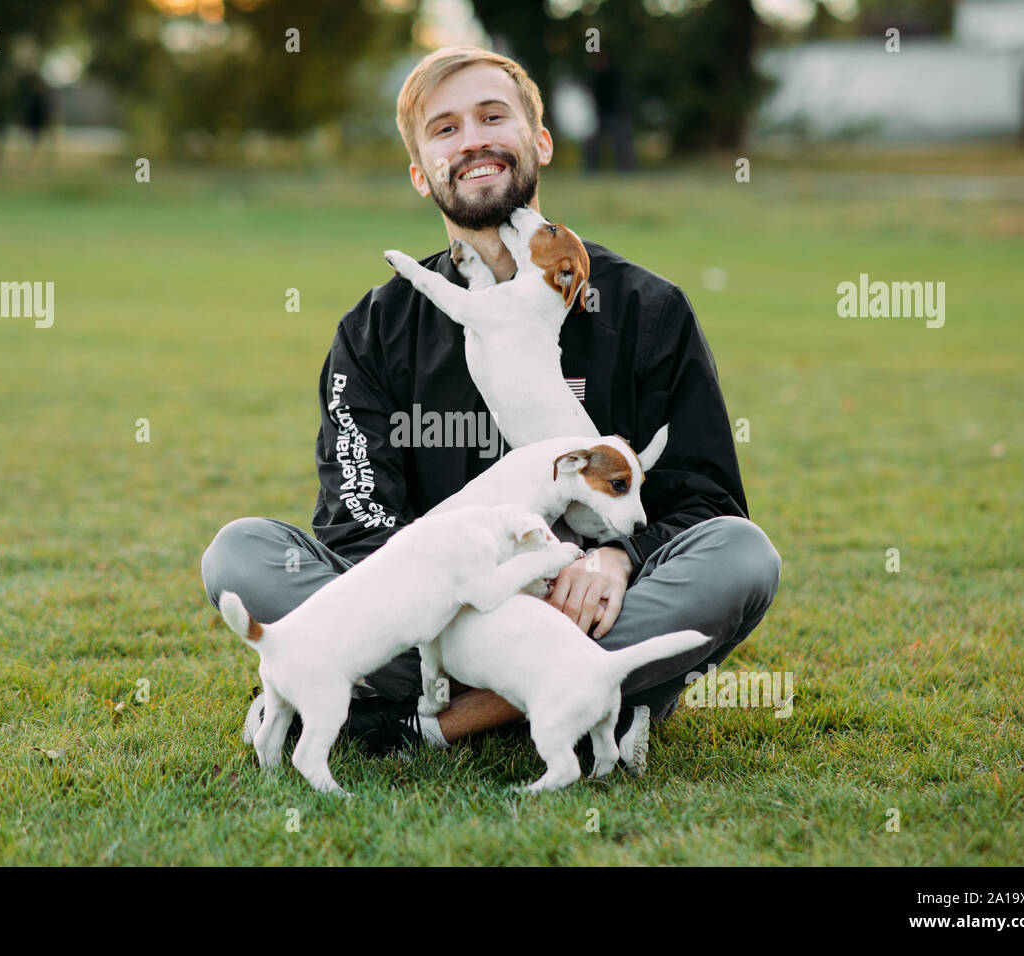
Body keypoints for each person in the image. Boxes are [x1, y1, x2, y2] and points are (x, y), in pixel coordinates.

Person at [201, 47, 780, 772]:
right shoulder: (376, 331)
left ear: (540, 142)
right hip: (435, 616)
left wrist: (615, 556)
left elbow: (707, 498)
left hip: (586, 608)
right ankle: (586, 693)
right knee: (242, 555)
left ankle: (426, 723)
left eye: (492, 116)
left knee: (742, 557)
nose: (471, 138)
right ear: (421, 172)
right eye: (443, 129)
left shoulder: (647, 310)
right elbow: (355, 524)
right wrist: (464, 596)